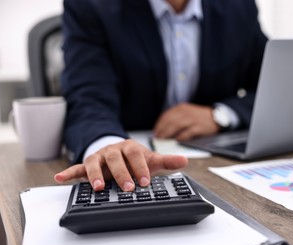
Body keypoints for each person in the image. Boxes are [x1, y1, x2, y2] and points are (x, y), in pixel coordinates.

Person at [54, 0, 268, 192]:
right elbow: (87, 97)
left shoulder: (239, 6)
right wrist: (109, 148)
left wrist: (221, 115)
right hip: (134, 173)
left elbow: (272, 86)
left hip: (219, 172)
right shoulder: (90, 6)